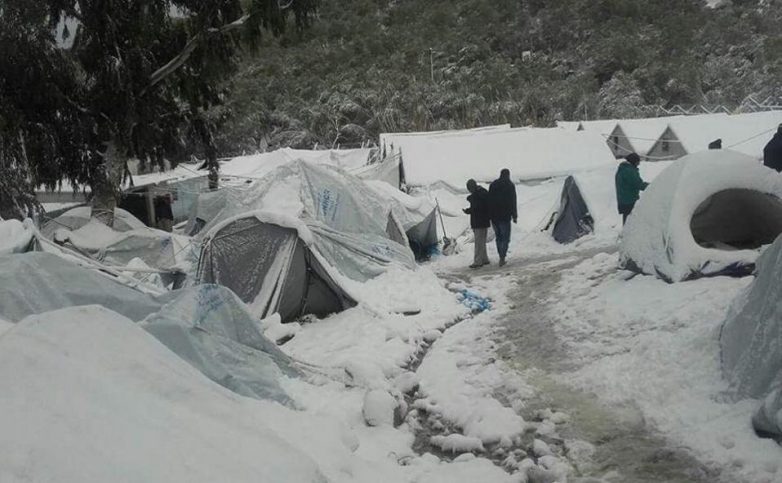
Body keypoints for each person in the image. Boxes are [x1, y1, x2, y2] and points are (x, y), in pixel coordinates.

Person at [489, 168, 517, 266]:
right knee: (505, 238)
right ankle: (502, 257)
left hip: (494, 217)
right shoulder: (510, 185)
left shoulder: (493, 185)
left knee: (498, 237)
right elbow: (513, 201)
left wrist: (490, 215)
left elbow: (489, 201)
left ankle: (500, 255)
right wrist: (515, 216)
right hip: (505, 217)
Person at [463, 179, 491, 268]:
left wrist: (468, 210)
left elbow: (476, 208)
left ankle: (478, 261)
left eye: (469, 189)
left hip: (478, 221)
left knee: (478, 242)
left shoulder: (476, 195)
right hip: (485, 221)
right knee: (482, 241)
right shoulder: (483, 192)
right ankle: (484, 259)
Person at [615, 153, 648, 224]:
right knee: (631, 220)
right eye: (637, 162)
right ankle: (628, 234)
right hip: (630, 200)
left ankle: (625, 233)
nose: (639, 164)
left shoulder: (623, 168)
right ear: (633, 161)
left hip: (623, 199)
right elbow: (638, 184)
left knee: (627, 218)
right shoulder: (629, 171)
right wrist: (652, 186)